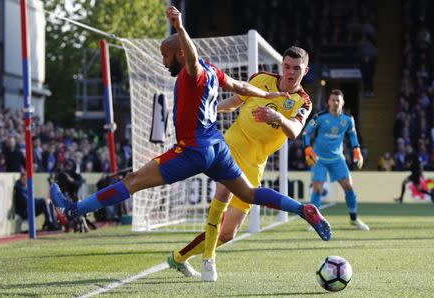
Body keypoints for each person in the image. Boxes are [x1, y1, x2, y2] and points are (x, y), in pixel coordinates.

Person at [49, 6, 331, 282]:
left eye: (165, 55)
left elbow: (194, 60)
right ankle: (300, 209)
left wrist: (180, 27)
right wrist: (261, 97)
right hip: (222, 147)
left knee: (133, 181)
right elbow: (241, 91)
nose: (163, 61)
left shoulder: (193, 72)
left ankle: (74, 209)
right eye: (287, 66)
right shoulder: (218, 73)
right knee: (247, 194)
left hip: (195, 150)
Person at [167, 45, 314, 278]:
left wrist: (277, 117)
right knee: (221, 201)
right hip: (231, 148)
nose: (290, 72)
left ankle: (178, 258)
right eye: (287, 66)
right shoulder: (261, 79)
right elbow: (236, 100)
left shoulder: (303, 102)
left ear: (305, 71)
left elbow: (295, 131)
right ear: (282, 66)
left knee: (228, 233)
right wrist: (211, 110)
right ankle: (208, 260)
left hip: (256, 163)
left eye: (297, 68)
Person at [303, 89, 369, 231]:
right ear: (328, 102)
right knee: (317, 189)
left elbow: (352, 136)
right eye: (333, 100)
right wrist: (308, 149)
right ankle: (315, 223)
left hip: (337, 158)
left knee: (349, 187)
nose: (335, 103)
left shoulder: (347, 120)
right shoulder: (319, 117)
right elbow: (306, 133)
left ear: (342, 102)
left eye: (338, 100)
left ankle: (354, 218)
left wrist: (357, 151)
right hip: (319, 159)